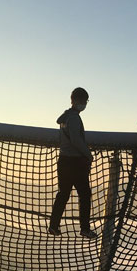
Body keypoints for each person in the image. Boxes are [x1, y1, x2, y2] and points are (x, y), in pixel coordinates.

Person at [48, 87, 99, 239]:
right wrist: (88, 155)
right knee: (84, 194)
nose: (84, 104)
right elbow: (76, 140)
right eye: (84, 101)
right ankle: (84, 228)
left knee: (63, 194)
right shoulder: (75, 118)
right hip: (75, 162)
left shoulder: (64, 118)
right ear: (77, 101)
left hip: (63, 160)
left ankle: (53, 225)